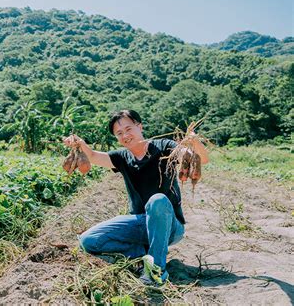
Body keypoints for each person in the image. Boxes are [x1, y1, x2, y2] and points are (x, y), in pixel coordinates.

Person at [63, 110, 209, 285]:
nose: (125, 135)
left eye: (128, 129)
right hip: (141, 223)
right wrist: (80, 144)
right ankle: (140, 255)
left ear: (140, 126)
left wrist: (194, 142)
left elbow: (199, 159)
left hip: (170, 225)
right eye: (119, 133)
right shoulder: (121, 157)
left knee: (158, 200)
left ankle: (156, 270)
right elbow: (93, 156)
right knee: (88, 241)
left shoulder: (164, 146)